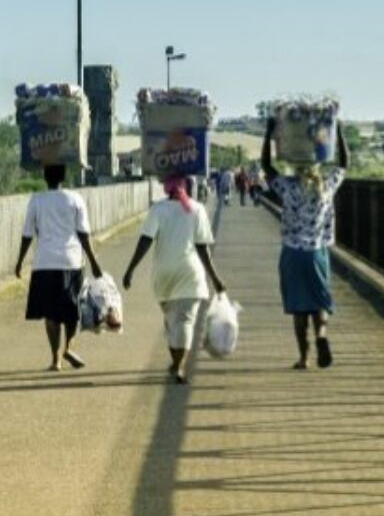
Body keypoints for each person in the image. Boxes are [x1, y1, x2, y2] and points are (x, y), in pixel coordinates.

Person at [261, 119, 350, 369]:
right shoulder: (326, 187)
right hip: (317, 252)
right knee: (319, 302)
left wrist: (269, 134)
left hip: (292, 252)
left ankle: (304, 358)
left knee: (299, 309)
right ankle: (321, 335)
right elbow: (344, 164)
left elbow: (266, 166)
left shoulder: (288, 187)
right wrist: (339, 132)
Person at [122, 175, 226, 385]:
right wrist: (214, 278)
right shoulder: (196, 210)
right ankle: (179, 364)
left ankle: (176, 363)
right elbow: (202, 248)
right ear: (187, 187)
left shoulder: (158, 210)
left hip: (164, 273)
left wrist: (131, 269)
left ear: (166, 188)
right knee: (184, 321)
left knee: (172, 320)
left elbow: (145, 241)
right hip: (190, 273)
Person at [15, 165, 104, 371]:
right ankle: (69, 347)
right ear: (64, 177)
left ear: (44, 177)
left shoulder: (36, 199)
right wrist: (93, 261)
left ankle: (56, 360)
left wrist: (20, 261)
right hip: (71, 261)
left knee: (51, 313)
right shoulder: (75, 199)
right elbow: (83, 233)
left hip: (44, 263)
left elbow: (28, 233)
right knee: (72, 310)